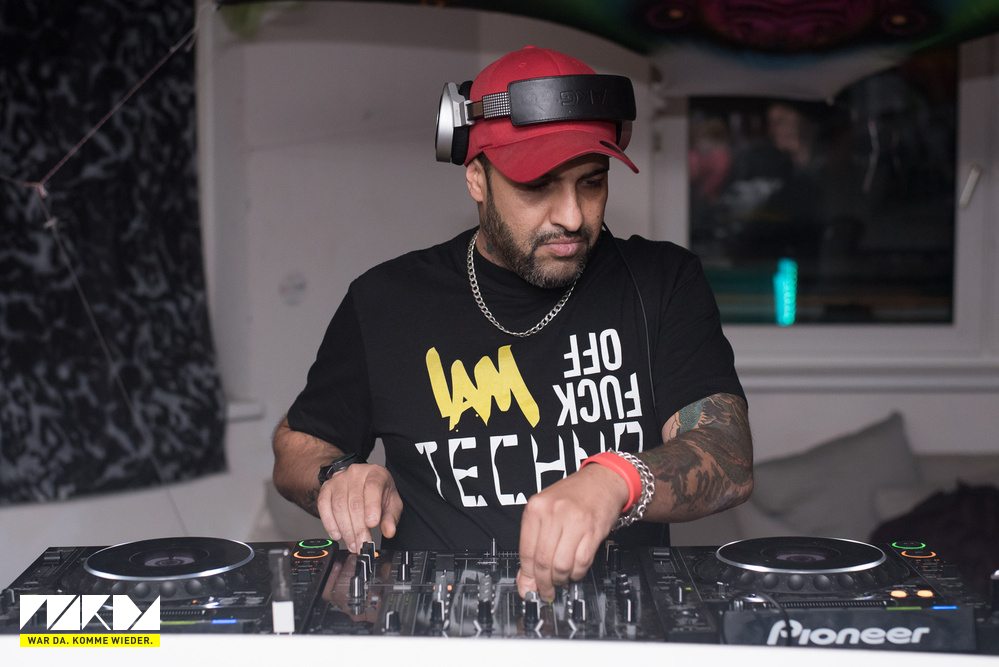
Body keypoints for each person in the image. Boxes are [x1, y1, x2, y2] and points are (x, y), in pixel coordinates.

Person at [272, 46, 753, 602]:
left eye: (591, 182)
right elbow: (298, 445)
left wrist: (616, 480)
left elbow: (727, 453)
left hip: (616, 621)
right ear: (477, 178)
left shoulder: (663, 281)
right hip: (441, 626)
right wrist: (338, 476)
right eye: (537, 185)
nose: (572, 216)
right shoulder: (385, 301)